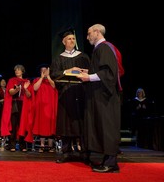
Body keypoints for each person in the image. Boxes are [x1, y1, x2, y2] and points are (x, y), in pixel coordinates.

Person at [77, 23, 121, 173]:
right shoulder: (100, 49)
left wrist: (88, 77)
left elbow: (109, 73)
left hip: (106, 98)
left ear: (97, 32)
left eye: (89, 33)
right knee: (102, 127)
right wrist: (88, 71)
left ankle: (111, 163)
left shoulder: (105, 47)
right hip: (100, 96)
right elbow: (101, 70)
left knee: (107, 128)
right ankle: (107, 160)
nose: (88, 36)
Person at [50, 27, 90, 162]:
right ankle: (66, 152)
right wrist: (68, 70)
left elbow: (90, 72)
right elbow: (54, 74)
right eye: (69, 39)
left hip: (81, 93)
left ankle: (84, 152)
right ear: (63, 42)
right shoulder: (59, 59)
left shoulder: (83, 56)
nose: (72, 40)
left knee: (81, 122)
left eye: (73, 38)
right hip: (66, 94)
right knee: (66, 122)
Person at [1, 64, 34, 152]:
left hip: (23, 105)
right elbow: (10, 92)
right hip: (14, 104)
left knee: (22, 125)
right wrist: (16, 89)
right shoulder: (12, 80)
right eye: (15, 70)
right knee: (13, 124)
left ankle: (22, 145)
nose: (17, 71)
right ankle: (12, 145)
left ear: (22, 71)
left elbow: (29, 95)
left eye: (18, 70)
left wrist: (26, 89)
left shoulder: (27, 81)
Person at [32, 64, 58, 153]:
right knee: (42, 125)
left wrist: (49, 77)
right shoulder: (37, 80)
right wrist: (42, 78)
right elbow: (35, 88)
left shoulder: (52, 80)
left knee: (50, 126)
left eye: (45, 70)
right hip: (41, 107)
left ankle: (50, 145)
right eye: (42, 71)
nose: (44, 72)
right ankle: (42, 145)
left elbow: (55, 86)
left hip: (50, 107)